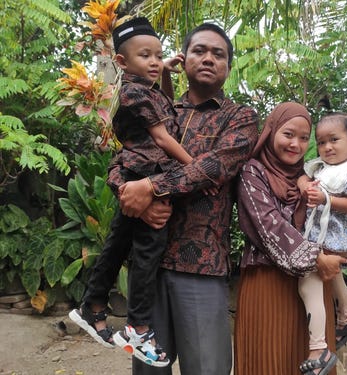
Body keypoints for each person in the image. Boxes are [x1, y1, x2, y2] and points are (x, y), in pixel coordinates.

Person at [112, 23, 259, 375]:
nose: (208, 58)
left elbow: (211, 169)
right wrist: (130, 195)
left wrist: (149, 188)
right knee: (147, 370)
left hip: (201, 266)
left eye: (218, 54)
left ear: (227, 66)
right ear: (183, 58)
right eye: (199, 51)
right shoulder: (153, 109)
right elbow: (118, 164)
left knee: (207, 368)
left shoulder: (239, 118)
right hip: (148, 264)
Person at [69, 16, 194, 367]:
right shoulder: (136, 92)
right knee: (147, 255)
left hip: (133, 172)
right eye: (145, 56)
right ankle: (138, 327)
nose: (155, 62)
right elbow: (164, 136)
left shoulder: (140, 89)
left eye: (158, 54)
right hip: (147, 176)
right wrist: (194, 166)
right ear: (122, 62)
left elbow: (167, 111)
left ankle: (92, 305)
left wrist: (165, 71)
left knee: (118, 243)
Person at [234, 102, 347, 375]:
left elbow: (340, 221)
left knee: (309, 361)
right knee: (267, 362)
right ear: (271, 131)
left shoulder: (313, 176)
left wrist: (342, 256)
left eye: (303, 137)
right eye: (288, 134)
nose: (295, 144)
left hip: (314, 290)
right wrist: (318, 258)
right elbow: (269, 226)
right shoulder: (253, 172)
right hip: (268, 284)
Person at [298, 112, 347, 357]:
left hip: (338, 235)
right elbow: (302, 176)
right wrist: (305, 186)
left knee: (311, 279)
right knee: (333, 274)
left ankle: (318, 345)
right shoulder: (322, 167)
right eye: (321, 142)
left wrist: (325, 198)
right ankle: (346, 320)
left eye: (334, 140)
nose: (327, 147)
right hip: (321, 232)